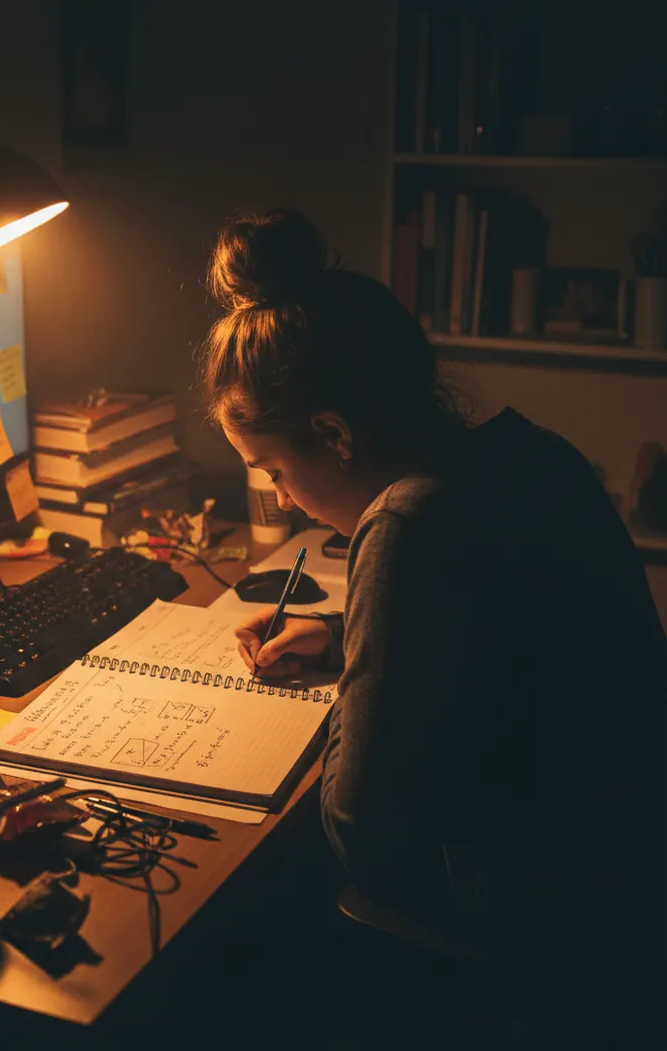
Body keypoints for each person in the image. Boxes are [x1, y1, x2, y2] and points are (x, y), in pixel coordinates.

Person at [199, 208, 665, 1026]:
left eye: (272, 468)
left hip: (543, 911)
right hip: (630, 858)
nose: (277, 493)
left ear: (335, 432)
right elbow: (507, 628)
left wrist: (355, 676)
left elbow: (361, 835)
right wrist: (349, 631)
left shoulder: (407, 523)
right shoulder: (531, 453)